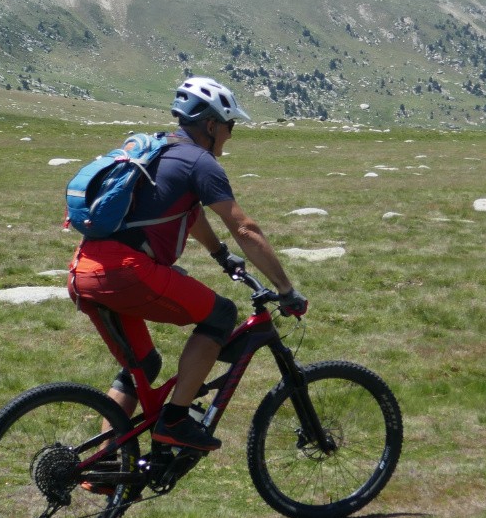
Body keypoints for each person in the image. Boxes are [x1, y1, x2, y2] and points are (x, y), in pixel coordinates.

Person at [67, 76, 307, 451]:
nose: (231, 135)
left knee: (142, 368)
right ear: (211, 124)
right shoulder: (200, 162)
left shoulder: (160, 149)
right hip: (126, 273)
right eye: (230, 126)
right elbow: (245, 228)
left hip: (84, 270)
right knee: (221, 316)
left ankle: (107, 464)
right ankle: (175, 421)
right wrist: (285, 288)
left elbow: (187, 216)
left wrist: (219, 254)